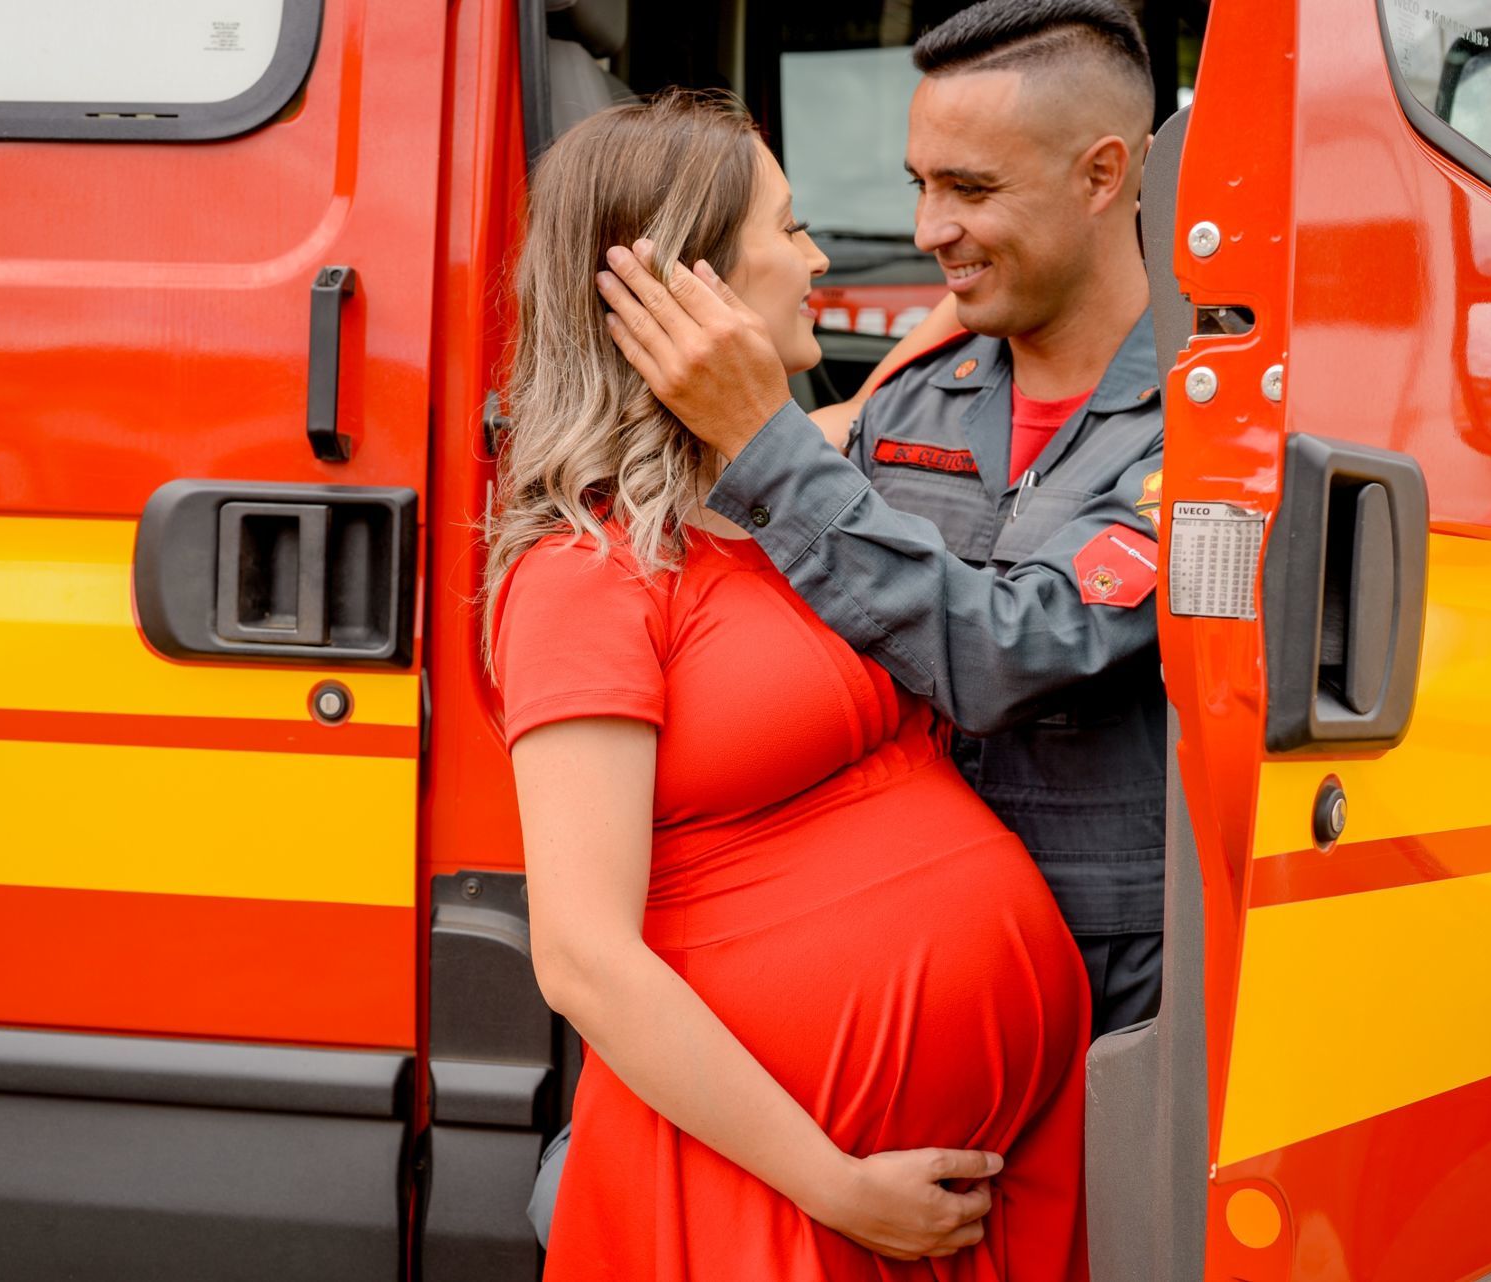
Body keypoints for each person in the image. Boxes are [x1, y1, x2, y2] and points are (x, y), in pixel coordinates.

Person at [489, 91, 1091, 1280]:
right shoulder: (587, 574)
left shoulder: (786, 501)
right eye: (792, 226)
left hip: (954, 1177)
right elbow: (582, 959)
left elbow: (925, 377)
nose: (820, 258)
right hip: (783, 1191)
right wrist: (841, 1186)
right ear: (688, 281)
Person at [597, 0, 1169, 1039]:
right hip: (885, 966)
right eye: (921, 184)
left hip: (1100, 993)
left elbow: (1010, 651)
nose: (927, 230)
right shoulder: (911, 400)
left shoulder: (1201, 428)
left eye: (970, 188)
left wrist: (764, 441)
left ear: (1102, 175)